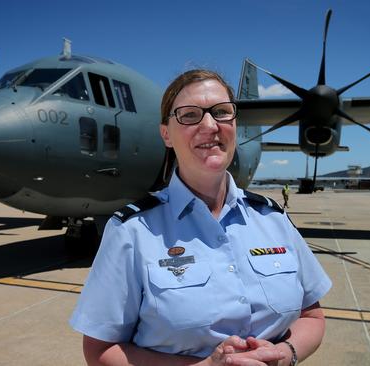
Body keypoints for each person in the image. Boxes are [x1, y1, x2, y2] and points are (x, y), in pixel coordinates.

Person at [69, 69, 331, 366]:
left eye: (222, 112)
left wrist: (286, 353)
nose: (210, 125)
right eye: (189, 115)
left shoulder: (273, 218)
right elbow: (99, 350)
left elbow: (312, 315)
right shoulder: (131, 231)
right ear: (166, 134)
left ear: (235, 124)